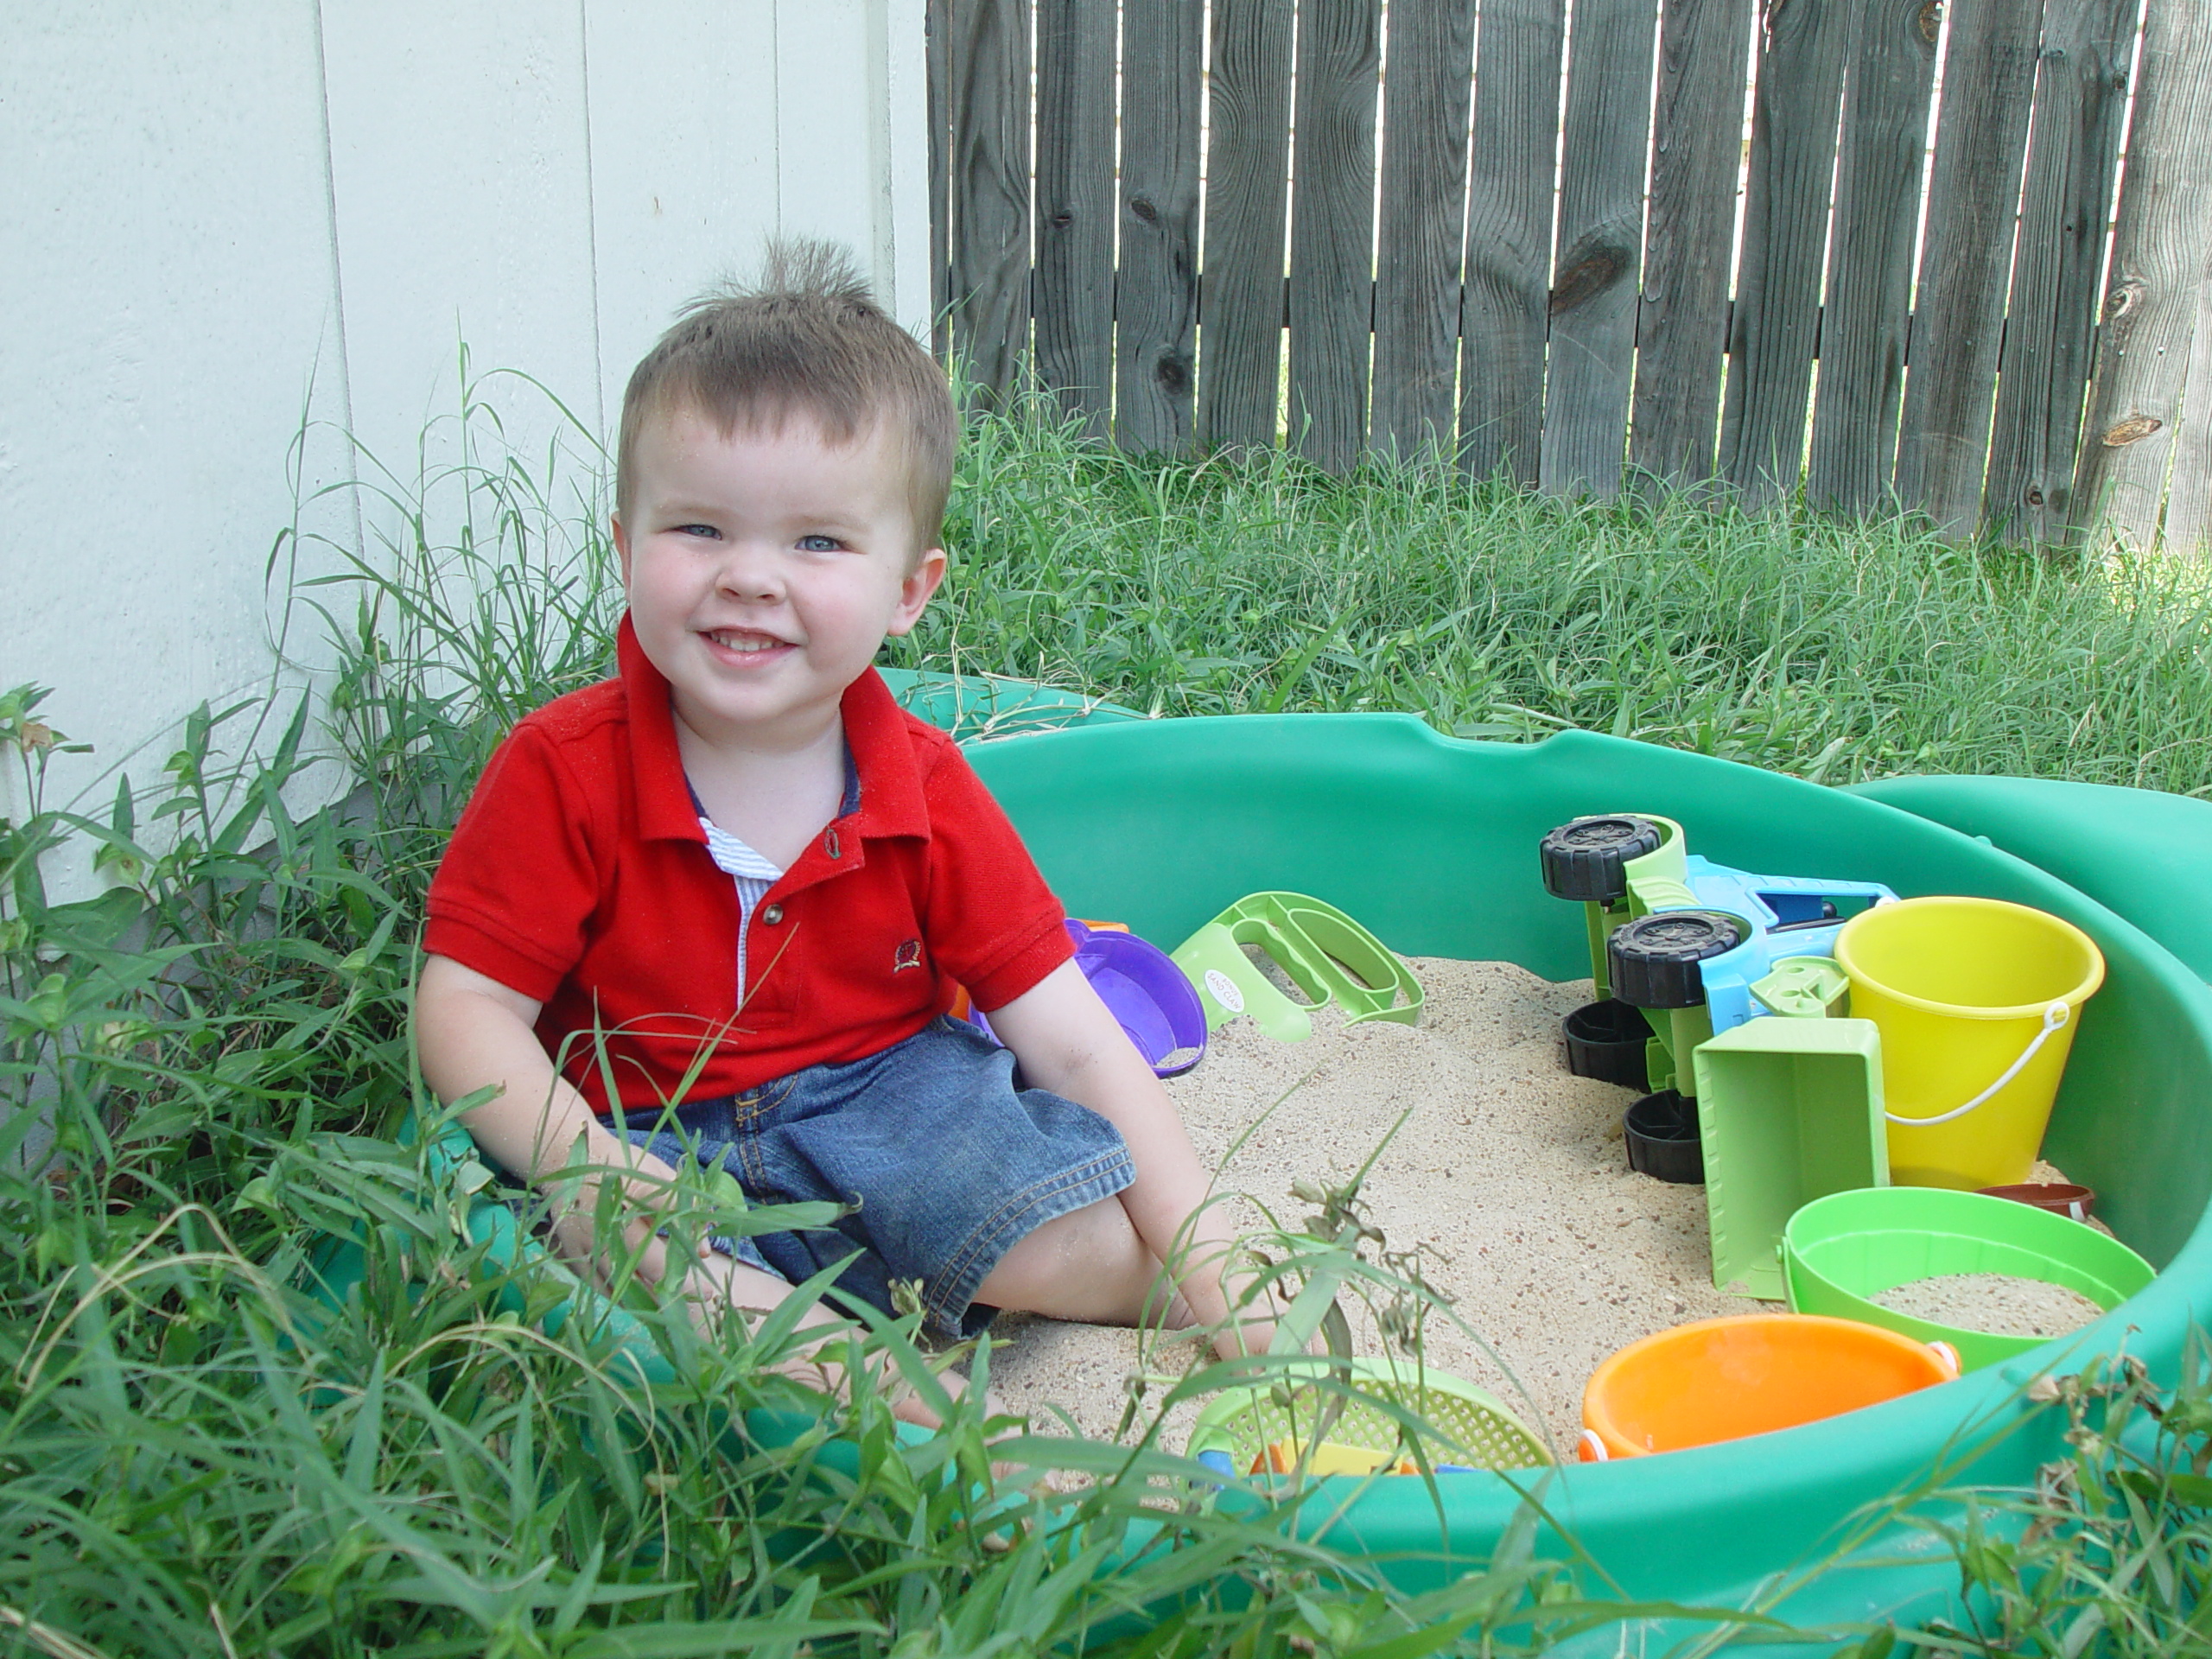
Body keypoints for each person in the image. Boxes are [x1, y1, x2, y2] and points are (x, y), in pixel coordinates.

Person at [413, 243, 1259, 1419]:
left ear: (910, 590)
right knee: (631, 1258)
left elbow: (1070, 1041)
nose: (750, 578)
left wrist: (1204, 1249)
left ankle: (1150, 1292)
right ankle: (882, 1392)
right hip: (649, 1124)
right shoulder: (561, 770)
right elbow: (465, 1009)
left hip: (893, 1103)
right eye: (699, 529)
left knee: (1029, 1227)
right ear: (622, 543)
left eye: (817, 543)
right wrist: (590, 1166)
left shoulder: (924, 786)